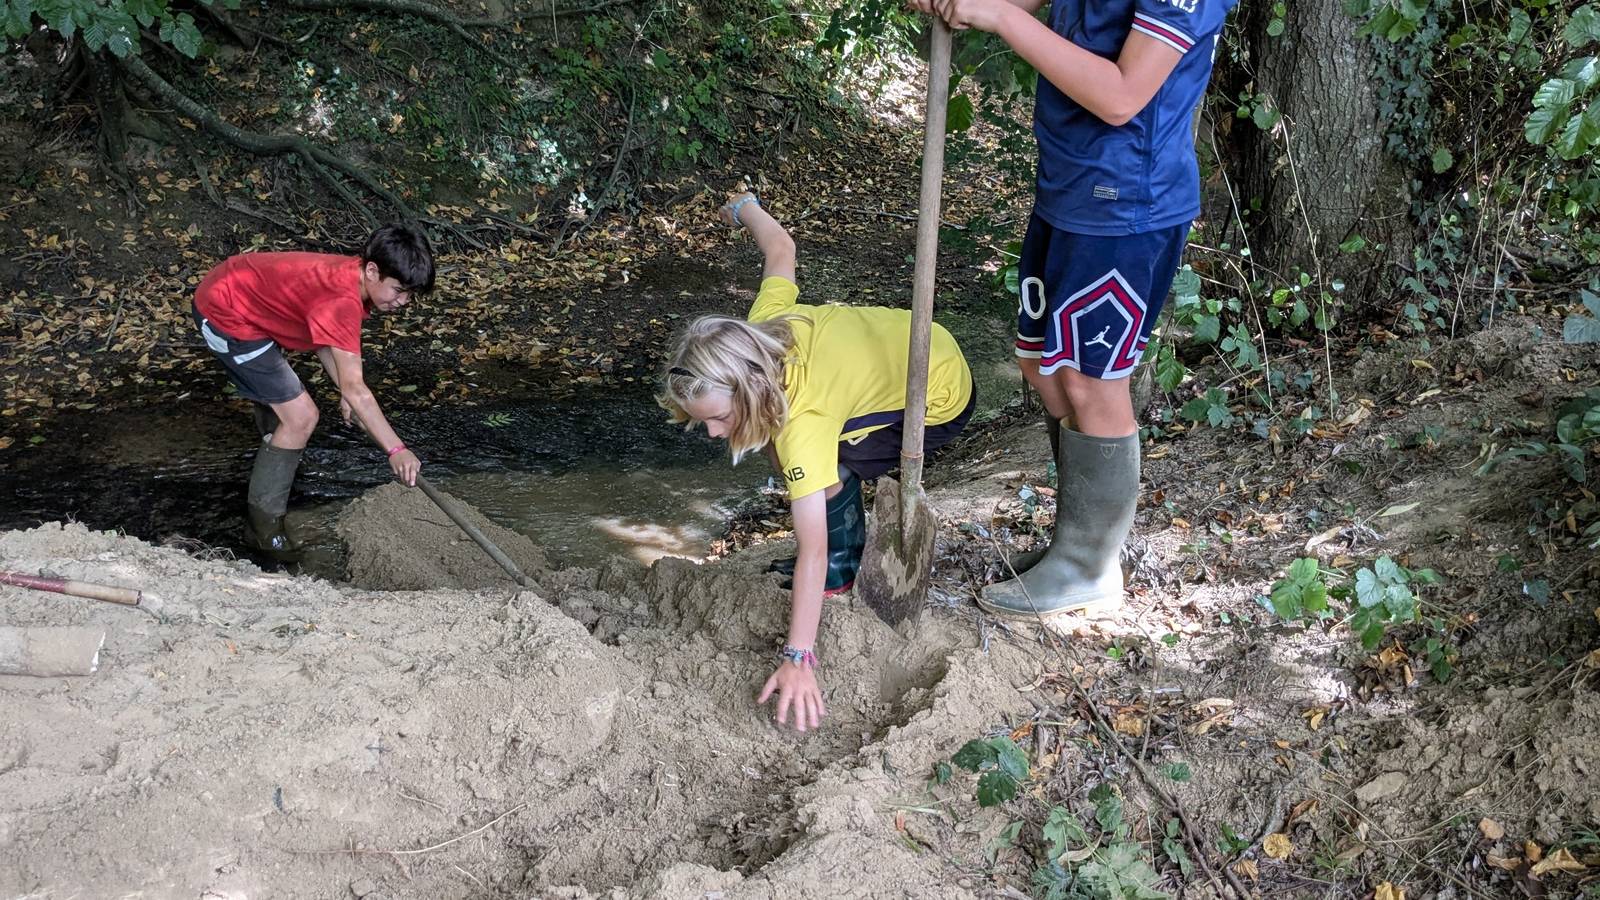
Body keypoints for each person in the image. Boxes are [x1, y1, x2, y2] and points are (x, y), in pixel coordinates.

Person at [910, 0, 1238, 617]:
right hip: (1069, 188)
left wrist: (1003, 20)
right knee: (1040, 362)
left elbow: (1121, 96)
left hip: (1126, 203)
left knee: (1091, 379)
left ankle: (1090, 566)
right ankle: (1075, 537)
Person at [658, 194, 976, 731]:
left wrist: (798, 654)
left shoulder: (804, 422)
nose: (712, 432)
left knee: (815, 467)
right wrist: (744, 207)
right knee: (782, 447)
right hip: (922, 344)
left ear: (750, 387)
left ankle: (842, 573)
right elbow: (780, 248)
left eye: (718, 417)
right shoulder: (763, 329)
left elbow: (811, 547)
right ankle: (839, 529)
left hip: (937, 397)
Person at [192, 223, 434, 554]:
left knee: (292, 410)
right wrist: (397, 450)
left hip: (243, 298)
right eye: (398, 290)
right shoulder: (342, 300)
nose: (403, 301)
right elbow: (357, 387)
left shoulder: (351, 279)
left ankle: (280, 460)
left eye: (410, 295)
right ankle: (264, 529)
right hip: (226, 313)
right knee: (301, 417)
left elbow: (325, 339)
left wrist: (346, 389)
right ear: (372, 271)